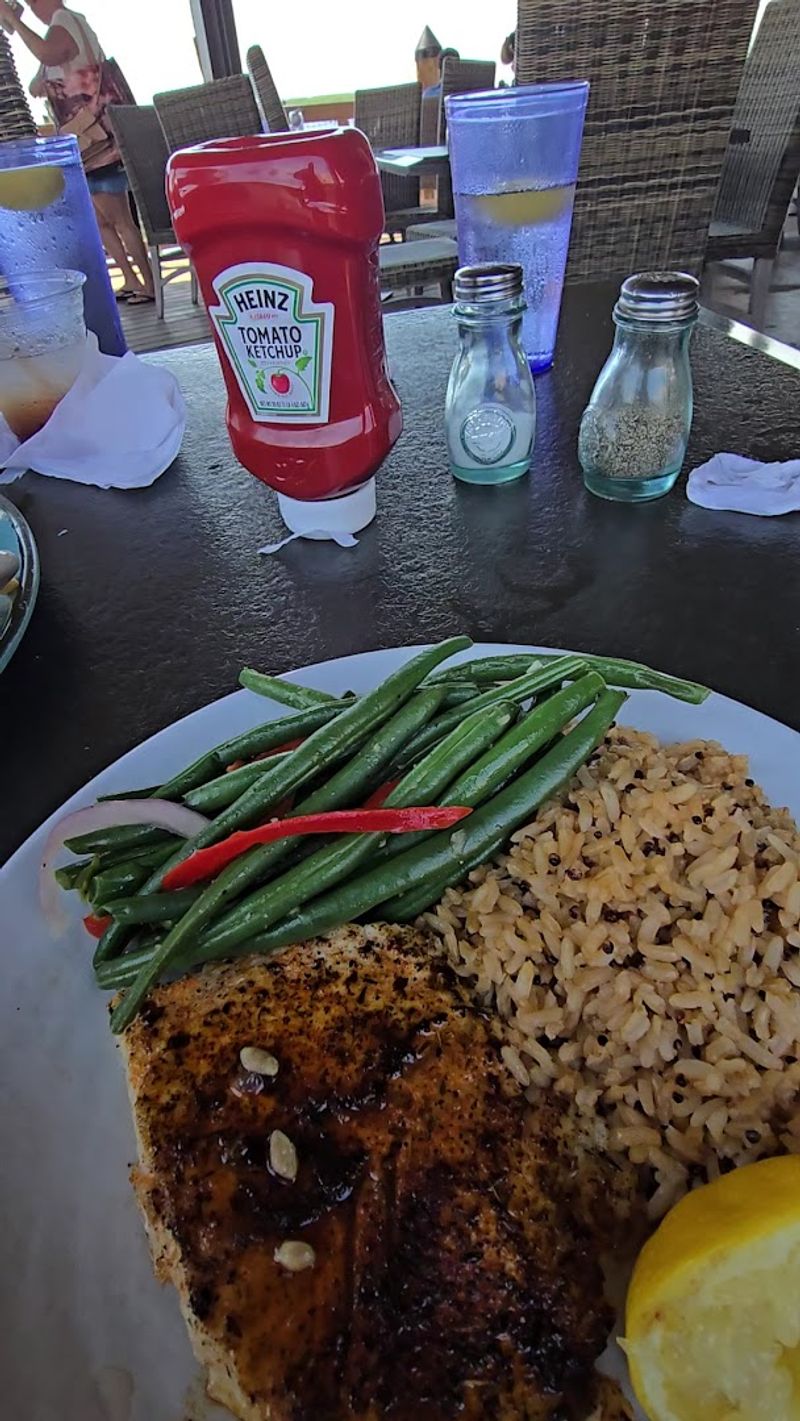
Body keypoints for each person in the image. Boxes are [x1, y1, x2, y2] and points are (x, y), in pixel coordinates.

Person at [0, 0, 155, 302]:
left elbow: (49, 53)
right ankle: (131, 278)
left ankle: (148, 283)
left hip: (98, 140)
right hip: (86, 144)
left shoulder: (65, 20)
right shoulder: (60, 29)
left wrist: (14, 22)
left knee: (118, 216)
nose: (33, 8)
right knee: (101, 220)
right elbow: (38, 79)